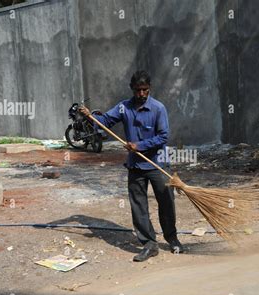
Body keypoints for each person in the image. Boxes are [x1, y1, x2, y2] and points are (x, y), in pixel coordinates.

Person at [79, 70, 184, 262]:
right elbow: (105, 121)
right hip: (136, 166)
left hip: (158, 164)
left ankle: (172, 238)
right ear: (132, 89)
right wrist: (89, 116)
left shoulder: (158, 108)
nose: (141, 94)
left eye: (144, 90)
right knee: (138, 206)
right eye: (137, 90)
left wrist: (140, 146)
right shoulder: (123, 108)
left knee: (166, 203)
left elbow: (163, 136)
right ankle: (149, 244)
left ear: (149, 89)